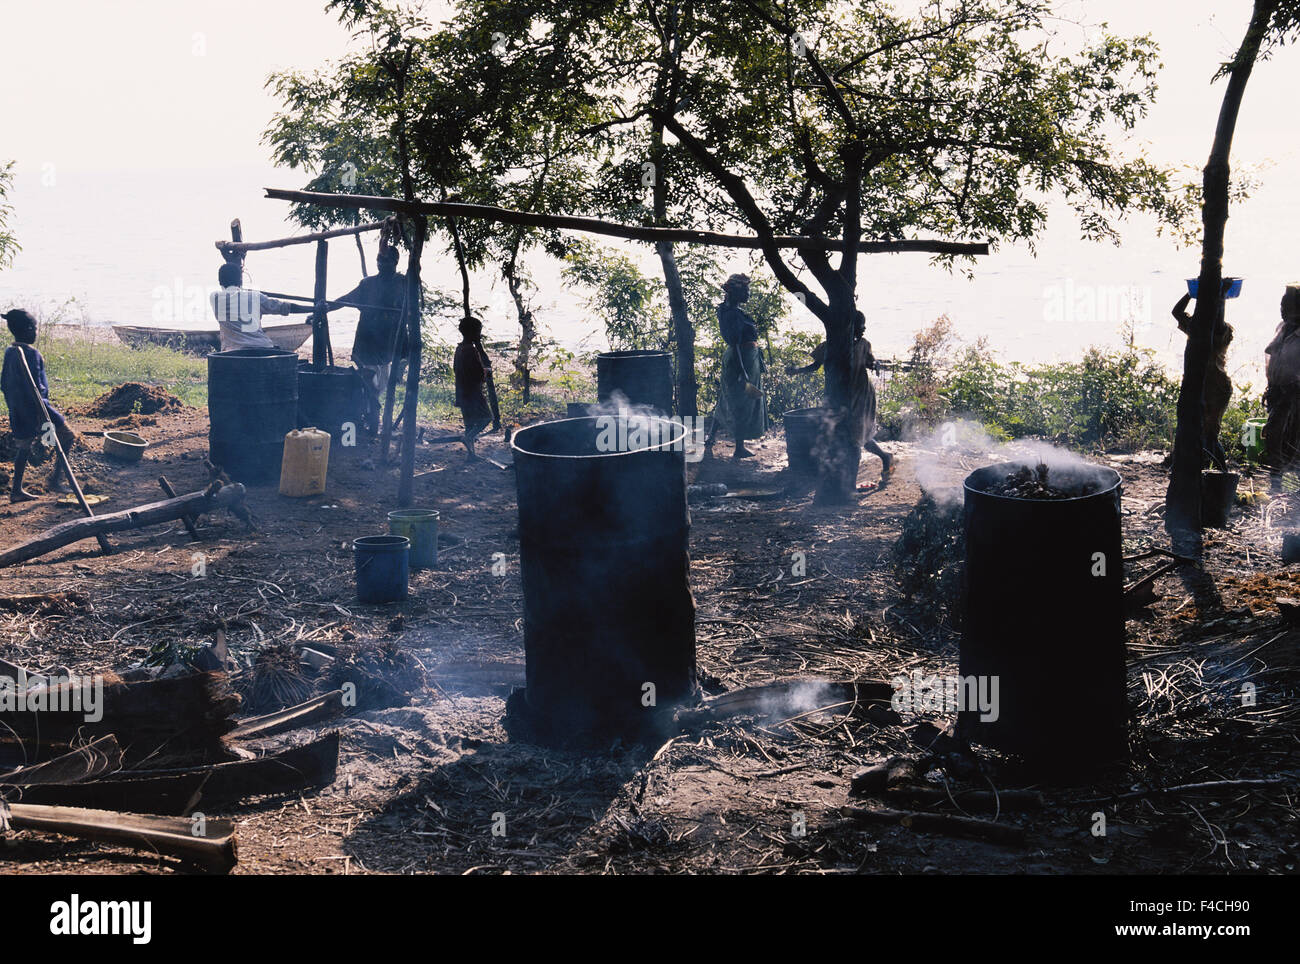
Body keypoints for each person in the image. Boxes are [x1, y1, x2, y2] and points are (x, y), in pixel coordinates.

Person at [785, 311, 894, 484]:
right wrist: (797, 371)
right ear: (848, 328)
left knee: (857, 433)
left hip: (861, 394)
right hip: (840, 396)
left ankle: (853, 478)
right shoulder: (829, 346)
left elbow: (871, 362)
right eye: (859, 327)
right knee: (851, 433)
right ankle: (882, 459)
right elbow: (815, 366)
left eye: (863, 327)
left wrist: (876, 365)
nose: (863, 330)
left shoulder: (863, 345)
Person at [327, 246, 407, 434]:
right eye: (380, 260)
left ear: (396, 262)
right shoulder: (367, 284)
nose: (382, 264)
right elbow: (345, 299)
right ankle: (371, 420)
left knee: (383, 385)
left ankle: (373, 417)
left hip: (390, 342)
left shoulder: (404, 283)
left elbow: (411, 308)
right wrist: (324, 308)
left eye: (386, 261)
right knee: (368, 382)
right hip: (368, 341)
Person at [1, 309, 74, 502]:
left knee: (24, 448)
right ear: (27, 330)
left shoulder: (10, 352)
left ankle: (16, 490)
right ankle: (55, 480)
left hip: (19, 411)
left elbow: (5, 384)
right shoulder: (30, 354)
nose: (36, 332)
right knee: (67, 436)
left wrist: (16, 407)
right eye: (34, 329)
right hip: (39, 410)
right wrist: (43, 415)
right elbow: (37, 389)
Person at [1172, 283, 1234, 471]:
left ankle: (1221, 472)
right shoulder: (1196, 328)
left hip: (1216, 387)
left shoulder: (1219, 331)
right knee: (1198, 428)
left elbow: (1218, 321)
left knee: (1210, 432)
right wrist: (1192, 293)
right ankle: (1207, 470)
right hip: (1200, 384)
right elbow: (1176, 312)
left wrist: (1220, 294)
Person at [715, 273, 767, 458]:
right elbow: (736, 342)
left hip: (740, 357)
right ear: (735, 292)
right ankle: (739, 448)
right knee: (742, 402)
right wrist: (743, 370)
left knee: (727, 395)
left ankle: (711, 437)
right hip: (742, 358)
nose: (748, 294)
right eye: (745, 290)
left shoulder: (725, 310)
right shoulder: (734, 314)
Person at [209, 261, 312, 351]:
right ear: (240, 280)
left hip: (233, 351)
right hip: (263, 347)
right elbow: (287, 307)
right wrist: (314, 309)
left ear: (220, 282)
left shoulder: (214, 297)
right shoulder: (256, 297)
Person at [1264, 285, 1300, 486]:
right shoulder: (1282, 327)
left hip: (1295, 396)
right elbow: (1273, 357)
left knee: (1293, 441)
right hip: (1278, 394)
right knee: (1274, 438)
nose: (1282, 309)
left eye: (1287, 305)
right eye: (1281, 304)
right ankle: (1276, 484)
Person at [453, 316, 494, 462]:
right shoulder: (471, 350)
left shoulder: (459, 349)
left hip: (462, 392)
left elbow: (456, 369)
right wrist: (486, 371)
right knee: (486, 418)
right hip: (473, 393)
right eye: (478, 332)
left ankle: (471, 455)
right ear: (472, 333)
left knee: (469, 423)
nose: (480, 335)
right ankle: (468, 438)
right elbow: (477, 374)